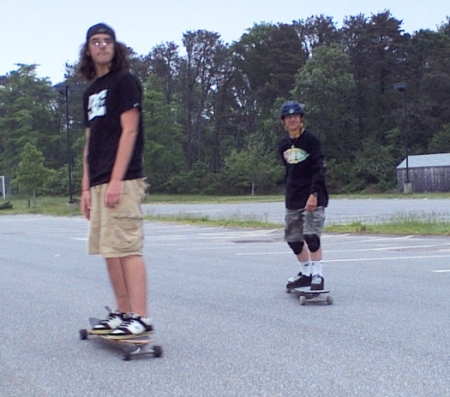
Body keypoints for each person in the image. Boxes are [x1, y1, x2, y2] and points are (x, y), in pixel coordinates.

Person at [78, 23, 153, 338]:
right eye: (95, 41)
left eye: (107, 41)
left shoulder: (125, 82)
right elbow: (89, 141)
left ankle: (141, 317)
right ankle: (122, 312)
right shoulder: (91, 92)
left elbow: (130, 131)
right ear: (88, 50)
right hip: (97, 181)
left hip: (121, 178)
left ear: (115, 47)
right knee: (110, 249)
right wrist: (85, 187)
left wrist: (117, 180)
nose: (102, 45)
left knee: (127, 247)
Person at [278, 101, 329, 291]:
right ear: (284, 122)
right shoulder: (283, 144)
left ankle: (317, 275)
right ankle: (305, 273)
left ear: (301, 119)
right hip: (293, 197)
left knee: (311, 235)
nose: (292, 120)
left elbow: (319, 169)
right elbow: (289, 171)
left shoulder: (311, 141)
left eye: (296, 116)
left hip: (313, 196)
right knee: (293, 239)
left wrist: (314, 194)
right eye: (288, 117)